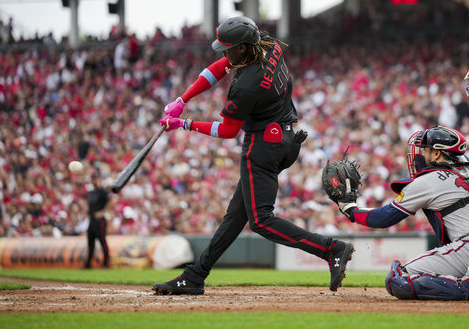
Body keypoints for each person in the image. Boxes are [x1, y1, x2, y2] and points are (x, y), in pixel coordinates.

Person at [152, 16, 354, 295]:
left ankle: (331, 249)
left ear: (244, 48)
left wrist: (184, 123)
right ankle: (195, 275)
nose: (224, 52)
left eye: (229, 47)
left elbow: (227, 130)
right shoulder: (268, 45)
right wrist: (183, 99)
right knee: (236, 215)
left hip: (261, 146)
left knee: (260, 220)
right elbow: (221, 67)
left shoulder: (247, 85)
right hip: (285, 139)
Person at [335, 125, 469, 300]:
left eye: (425, 150)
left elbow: (382, 218)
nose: (420, 154)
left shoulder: (430, 180)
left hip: (466, 246)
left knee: (398, 279)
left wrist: (349, 209)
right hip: (464, 248)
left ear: (437, 154)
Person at [84, 174, 111, 269]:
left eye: (95, 179)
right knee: (90, 242)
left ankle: (106, 263)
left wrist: (102, 212)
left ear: (99, 179)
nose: (94, 181)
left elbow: (111, 201)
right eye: (93, 179)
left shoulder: (103, 191)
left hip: (99, 221)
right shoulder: (91, 192)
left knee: (102, 241)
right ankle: (88, 264)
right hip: (91, 220)